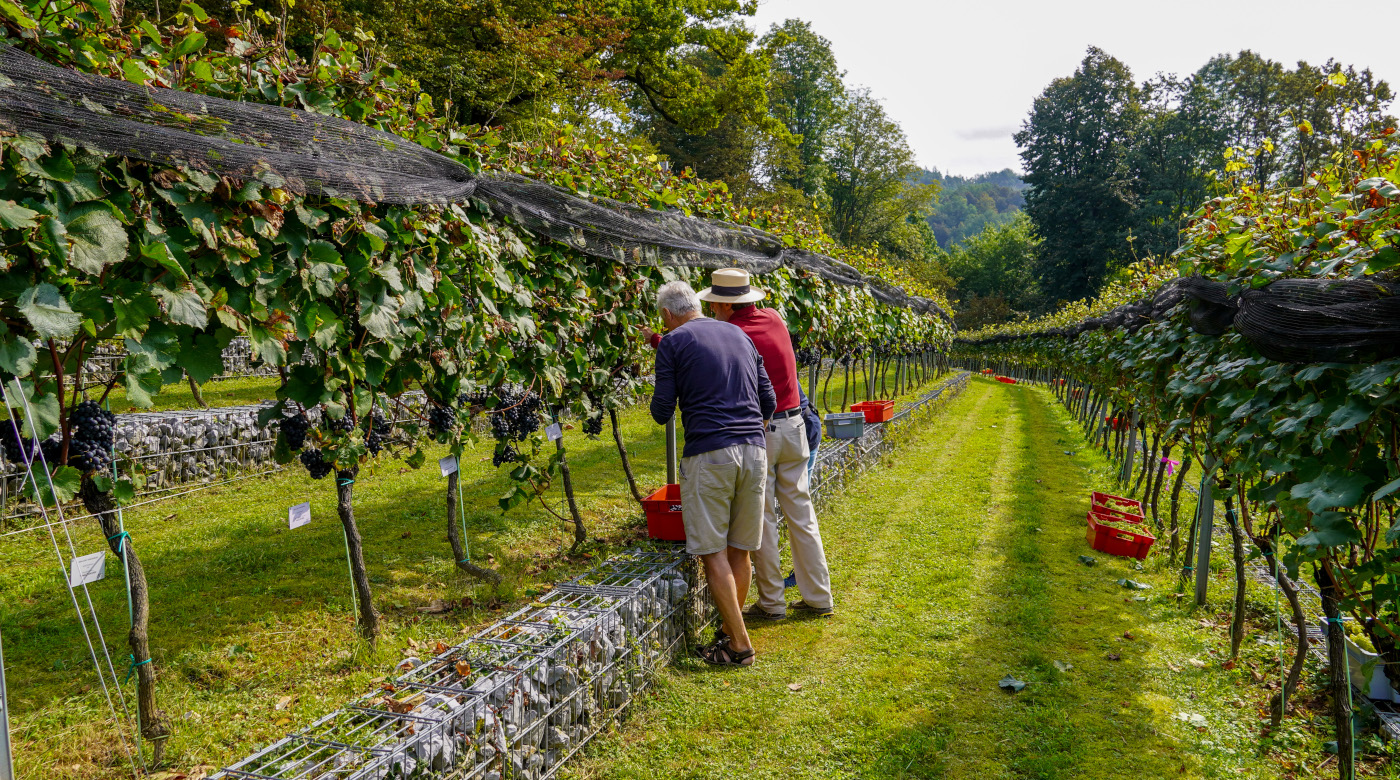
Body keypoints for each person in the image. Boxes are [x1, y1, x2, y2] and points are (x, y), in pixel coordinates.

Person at [649, 279, 776, 667]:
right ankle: (727, 633)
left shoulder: (672, 342)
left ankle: (739, 645)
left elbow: (661, 412)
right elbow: (768, 400)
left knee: (712, 552)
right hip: (755, 451)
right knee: (741, 550)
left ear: (668, 315)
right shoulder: (740, 336)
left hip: (710, 454)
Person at [702, 268, 835, 620]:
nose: (712, 309)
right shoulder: (774, 317)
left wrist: (660, 340)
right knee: (802, 514)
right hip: (796, 424)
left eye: (715, 303)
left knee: (762, 519)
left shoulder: (733, 332)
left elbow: (699, 350)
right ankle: (820, 597)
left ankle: (772, 603)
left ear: (727, 306)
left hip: (764, 430)